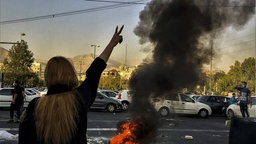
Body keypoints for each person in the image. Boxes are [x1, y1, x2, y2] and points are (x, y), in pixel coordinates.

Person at [19, 25, 124, 144]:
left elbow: (23, 138)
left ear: (47, 77)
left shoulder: (34, 106)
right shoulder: (79, 99)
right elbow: (95, 70)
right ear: (70, 73)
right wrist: (111, 44)